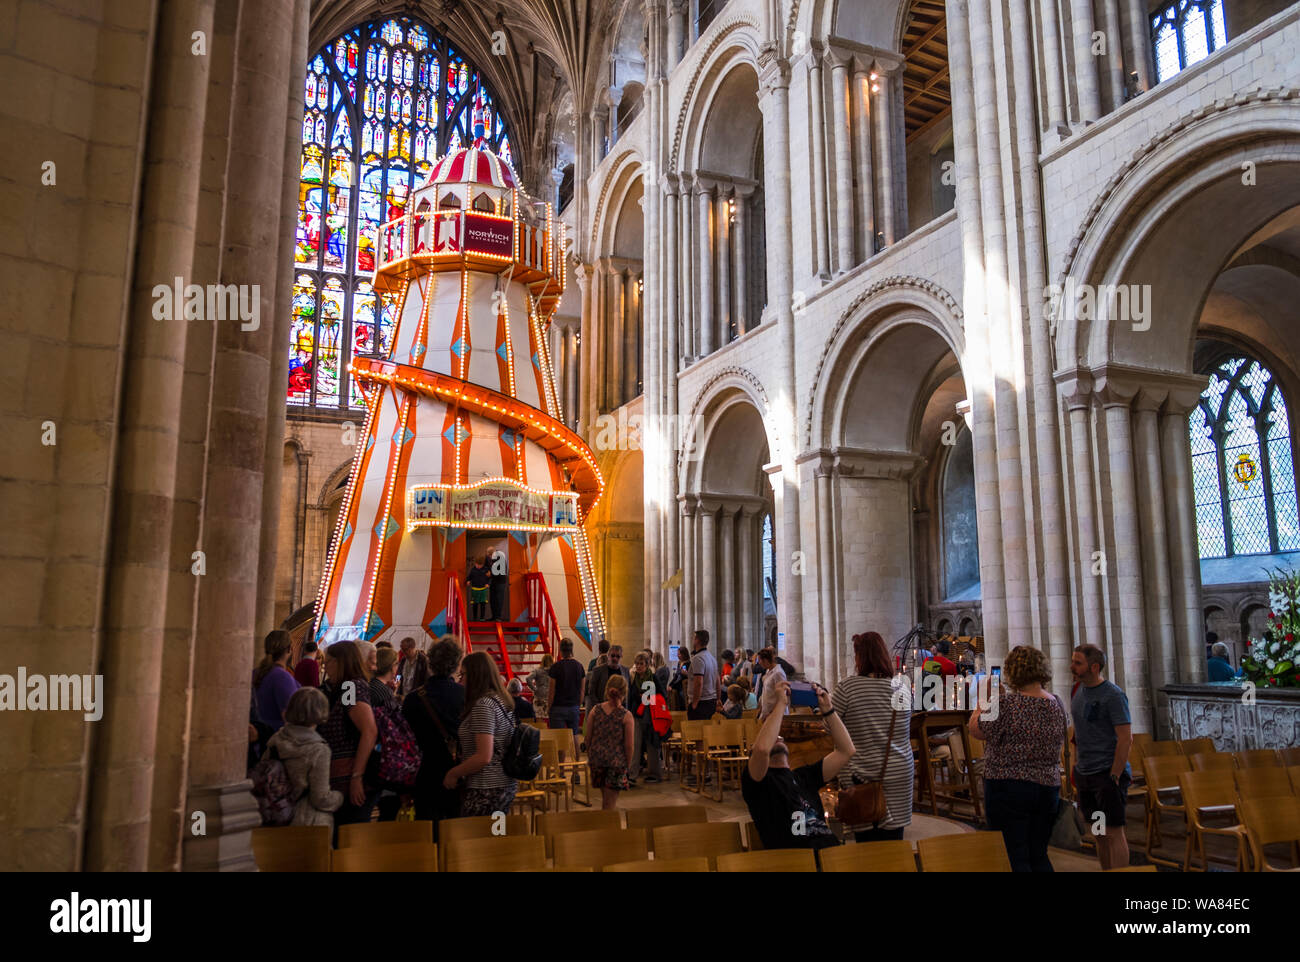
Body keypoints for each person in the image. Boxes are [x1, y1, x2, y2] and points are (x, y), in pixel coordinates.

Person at [969, 644, 1066, 871]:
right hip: (1046, 787)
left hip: (1008, 788)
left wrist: (984, 702)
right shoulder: (1056, 703)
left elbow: (977, 730)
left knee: (1013, 856)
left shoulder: (1007, 704)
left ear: (1012, 671)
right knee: (1039, 854)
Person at [741, 679, 855, 851]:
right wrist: (781, 704)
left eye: (779, 737)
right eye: (773, 737)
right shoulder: (758, 781)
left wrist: (828, 710)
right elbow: (762, 748)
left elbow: (846, 751)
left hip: (831, 854)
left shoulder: (804, 776)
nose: (777, 737)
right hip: (798, 861)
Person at [831, 632, 913, 842]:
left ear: (860, 657)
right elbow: (902, 729)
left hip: (863, 774)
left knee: (867, 848)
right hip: (900, 772)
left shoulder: (847, 688)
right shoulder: (902, 688)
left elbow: (830, 726)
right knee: (894, 842)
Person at [1070, 644, 1133, 871]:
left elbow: (1125, 738)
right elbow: (1077, 733)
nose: (1072, 666)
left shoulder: (1113, 695)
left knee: (1114, 832)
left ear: (1094, 667)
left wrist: (1115, 776)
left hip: (1107, 775)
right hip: (1086, 774)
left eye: (1078, 663)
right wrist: (1075, 766)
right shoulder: (1077, 690)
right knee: (1099, 833)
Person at [444, 651, 518, 816]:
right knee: (496, 835)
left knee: (479, 838)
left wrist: (453, 773)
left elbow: (484, 756)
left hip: (486, 786)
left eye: (462, 675)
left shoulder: (483, 705)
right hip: (501, 783)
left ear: (475, 676)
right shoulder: (500, 700)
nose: (460, 680)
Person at [402, 636, 464, 832]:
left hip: (424, 773)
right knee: (456, 829)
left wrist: (404, 786)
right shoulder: (465, 695)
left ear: (430, 662)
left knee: (428, 832)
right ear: (456, 664)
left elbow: (405, 744)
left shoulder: (413, 699)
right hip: (458, 771)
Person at [319, 641, 380, 835]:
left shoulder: (349, 687)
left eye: (328, 662)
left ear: (341, 662)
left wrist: (356, 776)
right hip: (342, 778)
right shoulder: (341, 688)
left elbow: (368, 731)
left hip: (350, 778)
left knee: (350, 834)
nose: (325, 666)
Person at [266, 687, 343, 827]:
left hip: (274, 816)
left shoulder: (276, 740)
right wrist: (340, 797)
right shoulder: (319, 750)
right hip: (305, 821)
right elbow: (320, 798)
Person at [585, 673, 634, 809]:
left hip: (597, 760)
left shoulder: (595, 710)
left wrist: (591, 755)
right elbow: (629, 746)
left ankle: (606, 827)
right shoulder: (626, 716)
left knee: (606, 800)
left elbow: (588, 737)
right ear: (624, 692)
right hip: (616, 763)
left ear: (607, 690)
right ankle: (608, 829)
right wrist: (627, 766)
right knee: (609, 804)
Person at [252, 630, 300, 735]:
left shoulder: (254, 673)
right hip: (274, 739)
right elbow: (291, 718)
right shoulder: (282, 677)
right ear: (289, 649)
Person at [629, 652, 665, 783]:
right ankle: (632, 774)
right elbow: (631, 696)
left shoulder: (653, 678)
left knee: (652, 744)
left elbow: (662, 694)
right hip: (637, 714)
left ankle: (654, 773)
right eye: (637, 664)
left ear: (647, 665)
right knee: (635, 744)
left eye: (641, 664)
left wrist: (649, 698)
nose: (638, 667)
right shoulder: (634, 679)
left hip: (650, 715)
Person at [547, 638, 586, 743]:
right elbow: (582, 690)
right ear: (571, 650)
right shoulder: (579, 667)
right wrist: (578, 705)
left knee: (559, 739)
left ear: (560, 650)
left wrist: (548, 707)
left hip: (558, 707)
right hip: (573, 706)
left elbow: (552, 691)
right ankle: (577, 759)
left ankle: (561, 760)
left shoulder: (555, 667)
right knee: (575, 736)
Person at [587, 644, 632, 712]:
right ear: (608, 656)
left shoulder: (626, 671)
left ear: (621, 657)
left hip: (620, 709)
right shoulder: (598, 670)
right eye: (612, 656)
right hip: (602, 709)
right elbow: (592, 692)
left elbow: (627, 692)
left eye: (618, 656)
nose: (615, 658)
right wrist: (599, 708)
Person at [688, 629, 721, 720]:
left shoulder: (697, 658)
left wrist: (694, 703)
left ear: (697, 640)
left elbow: (698, 682)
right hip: (711, 701)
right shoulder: (711, 658)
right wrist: (718, 699)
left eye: (694, 638)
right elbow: (717, 680)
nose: (693, 641)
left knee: (695, 732)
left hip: (701, 703)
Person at [756, 647, 787, 720]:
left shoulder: (778, 673)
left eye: (760, 660)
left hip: (775, 714)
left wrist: (774, 712)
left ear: (766, 660)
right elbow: (767, 691)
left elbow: (782, 695)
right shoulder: (768, 671)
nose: (759, 663)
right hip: (766, 712)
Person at [527, 654, 554, 719]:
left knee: (539, 718)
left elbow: (528, 678)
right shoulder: (554, 671)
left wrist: (534, 689)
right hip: (550, 697)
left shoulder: (537, 670)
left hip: (539, 697)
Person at [488, 546, 509, 622]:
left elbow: (500, 571)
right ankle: (494, 616)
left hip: (500, 581)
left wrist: (491, 574)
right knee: (492, 599)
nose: (489, 557)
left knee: (499, 599)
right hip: (494, 581)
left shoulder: (500, 557)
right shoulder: (493, 558)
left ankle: (498, 617)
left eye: (489, 556)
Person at [467, 555, 491, 622]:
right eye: (476, 564)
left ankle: (482, 618)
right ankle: (475, 618)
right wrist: (468, 581)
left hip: (483, 589)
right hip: (475, 589)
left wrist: (488, 583)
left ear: (483, 565)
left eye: (479, 565)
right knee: (475, 604)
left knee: (483, 604)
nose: (477, 566)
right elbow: (469, 577)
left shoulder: (486, 570)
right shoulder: (473, 570)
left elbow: (489, 579)